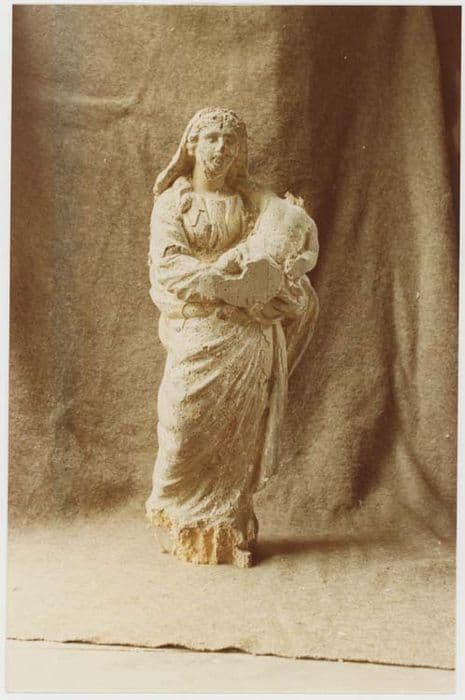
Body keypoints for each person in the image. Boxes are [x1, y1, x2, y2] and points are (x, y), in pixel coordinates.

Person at [145, 107, 319, 567]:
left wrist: (276, 267)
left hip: (246, 332)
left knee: (239, 437)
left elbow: (283, 242)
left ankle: (226, 526)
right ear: (192, 144)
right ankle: (176, 513)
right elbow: (168, 266)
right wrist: (219, 279)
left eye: (230, 141)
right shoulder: (173, 203)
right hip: (197, 326)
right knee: (183, 421)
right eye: (211, 138)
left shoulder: (250, 201)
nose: (220, 148)